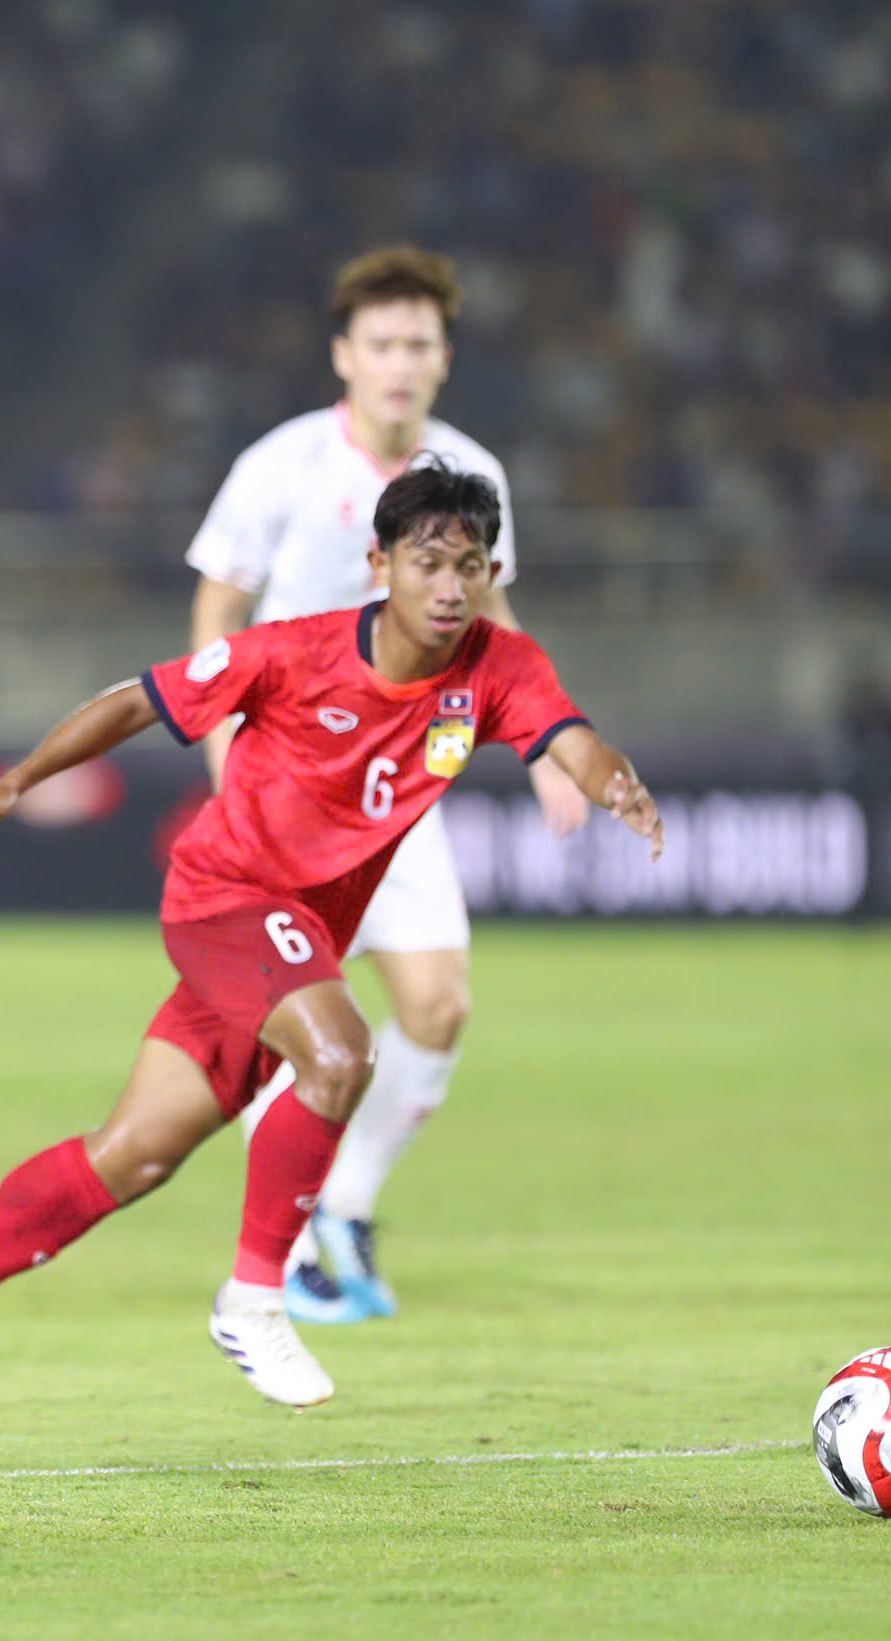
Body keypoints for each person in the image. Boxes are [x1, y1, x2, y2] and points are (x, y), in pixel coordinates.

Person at [0, 465, 662, 1417]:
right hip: (224, 901)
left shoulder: (497, 667)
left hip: (295, 945)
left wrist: (614, 783)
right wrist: (15, 782)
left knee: (131, 1156)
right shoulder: (292, 652)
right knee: (340, 1051)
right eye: (429, 562)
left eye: (471, 567)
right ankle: (254, 1299)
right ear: (380, 563)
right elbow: (135, 701)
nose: (451, 587)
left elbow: (571, 736)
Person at [183, 245, 593, 1323]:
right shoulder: (280, 468)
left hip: (394, 794)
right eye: (381, 343)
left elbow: (495, 626)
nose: (400, 363)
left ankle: (340, 1211)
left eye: (419, 344)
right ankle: (281, 1252)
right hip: (277, 793)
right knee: (281, 1038)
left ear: (444, 359)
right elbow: (216, 612)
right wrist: (225, 753)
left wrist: (549, 740)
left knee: (438, 1004)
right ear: (343, 356)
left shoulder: (472, 476)